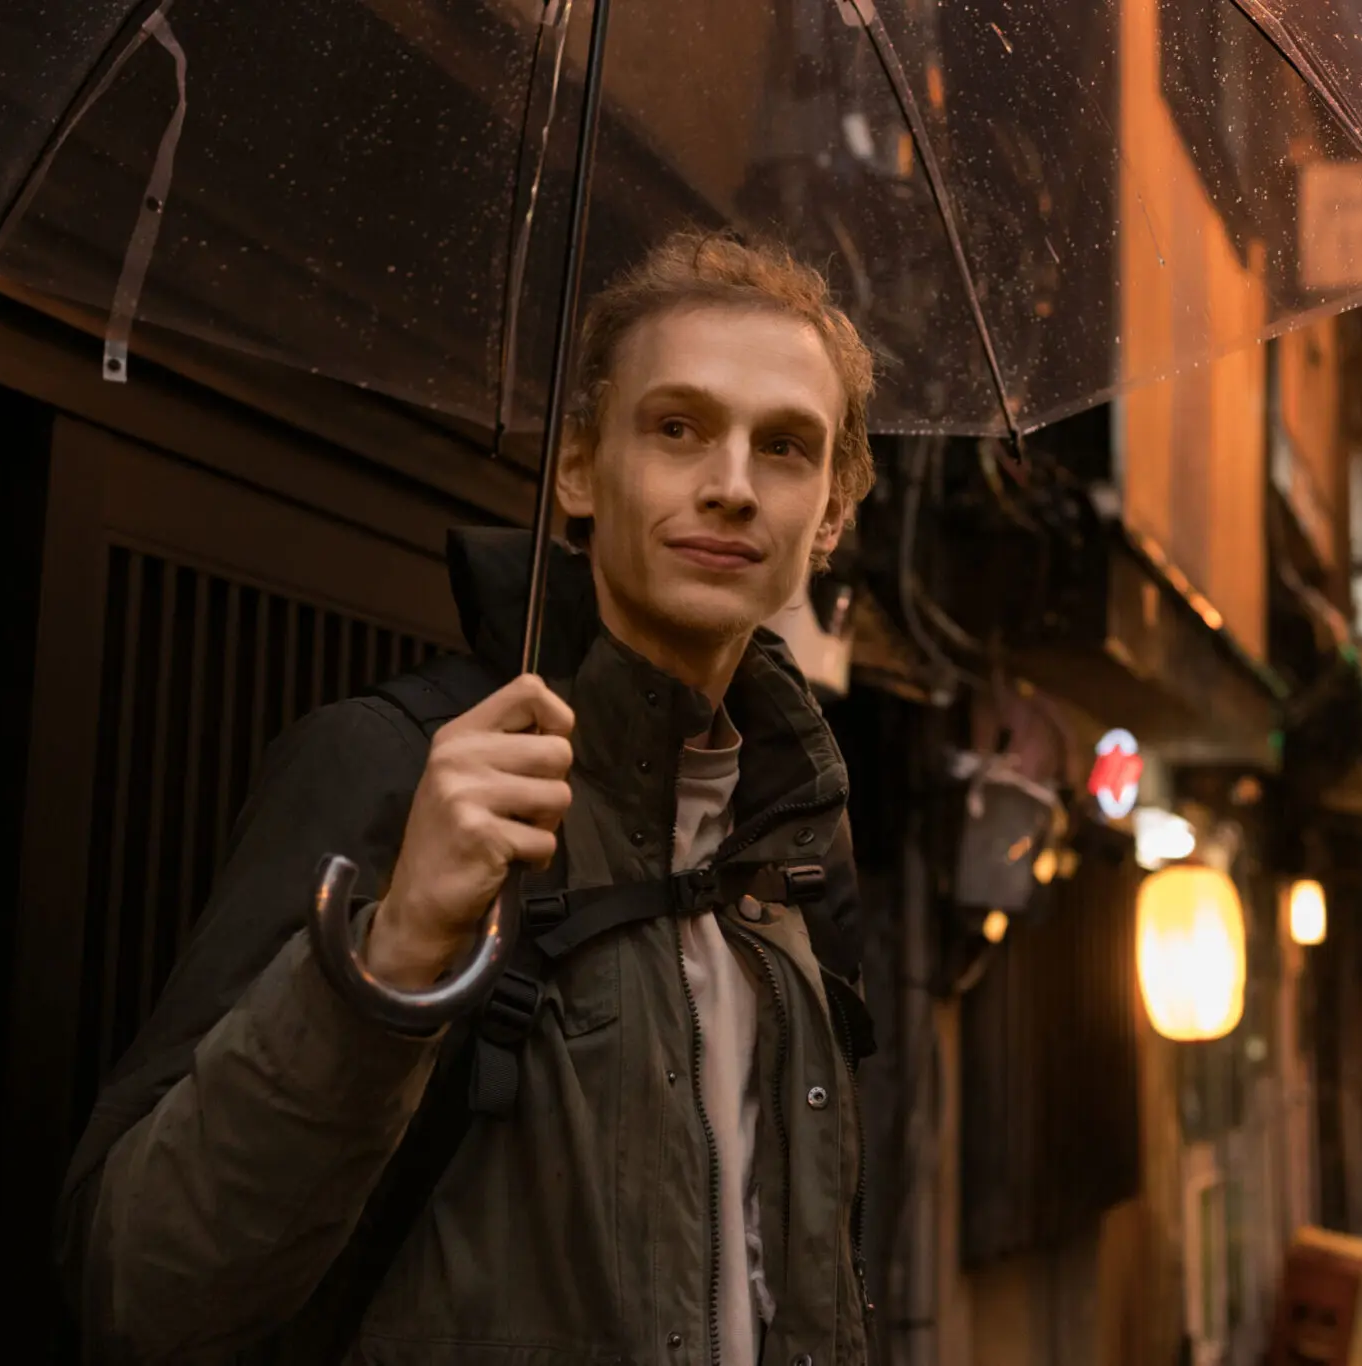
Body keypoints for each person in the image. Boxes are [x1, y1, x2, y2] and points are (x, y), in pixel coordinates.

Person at [58, 232, 879, 1366]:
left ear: (830, 514)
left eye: (784, 446)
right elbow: (143, 1290)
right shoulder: (395, 767)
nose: (730, 485)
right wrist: (388, 958)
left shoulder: (787, 842)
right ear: (580, 467)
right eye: (676, 426)